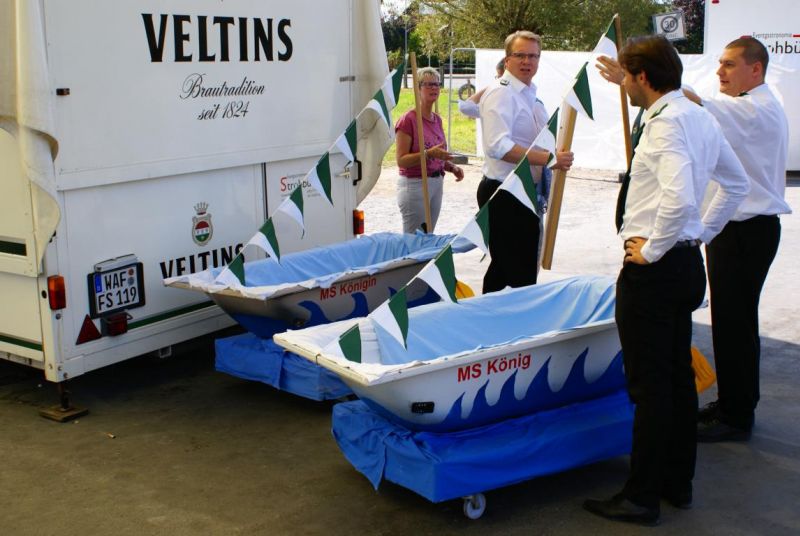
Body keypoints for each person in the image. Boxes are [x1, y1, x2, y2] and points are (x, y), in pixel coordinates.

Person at [585, 36, 750, 526]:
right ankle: (678, 483)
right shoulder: (697, 116)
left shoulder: (666, 124)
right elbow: (735, 184)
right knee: (677, 380)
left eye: (626, 76)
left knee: (650, 387)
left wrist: (654, 248)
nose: (624, 85)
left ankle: (641, 496)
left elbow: (678, 199)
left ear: (642, 77)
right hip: (684, 267)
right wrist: (697, 237)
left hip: (654, 274)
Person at [684, 37, 793, 442]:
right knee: (733, 322)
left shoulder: (755, 109)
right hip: (742, 229)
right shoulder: (752, 106)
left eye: (729, 64)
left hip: (746, 230)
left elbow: (696, 103)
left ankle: (736, 414)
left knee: (734, 324)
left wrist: (646, 76)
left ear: (756, 69)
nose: (720, 72)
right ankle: (733, 402)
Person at [477, 30, 573, 293]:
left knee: (513, 271)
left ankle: (500, 315)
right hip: (505, 192)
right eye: (520, 55)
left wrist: (552, 153)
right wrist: (549, 159)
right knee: (515, 274)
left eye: (533, 56)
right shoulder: (501, 93)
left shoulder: (529, 94)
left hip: (526, 193)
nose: (527, 61)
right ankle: (500, 317)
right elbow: (498, 146)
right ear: (507, 59)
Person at [395, 67, 464, 234]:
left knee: (429, 236)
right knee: (415, 239)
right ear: (418, 88)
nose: (434, 88)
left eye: (437, 84)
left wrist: (451, 167)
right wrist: (427, 154)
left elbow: (437, 155)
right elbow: (401, 160)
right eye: (429, 84)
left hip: (436, 182)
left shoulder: (437, 119)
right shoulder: (408, 120)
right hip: (415, 185)